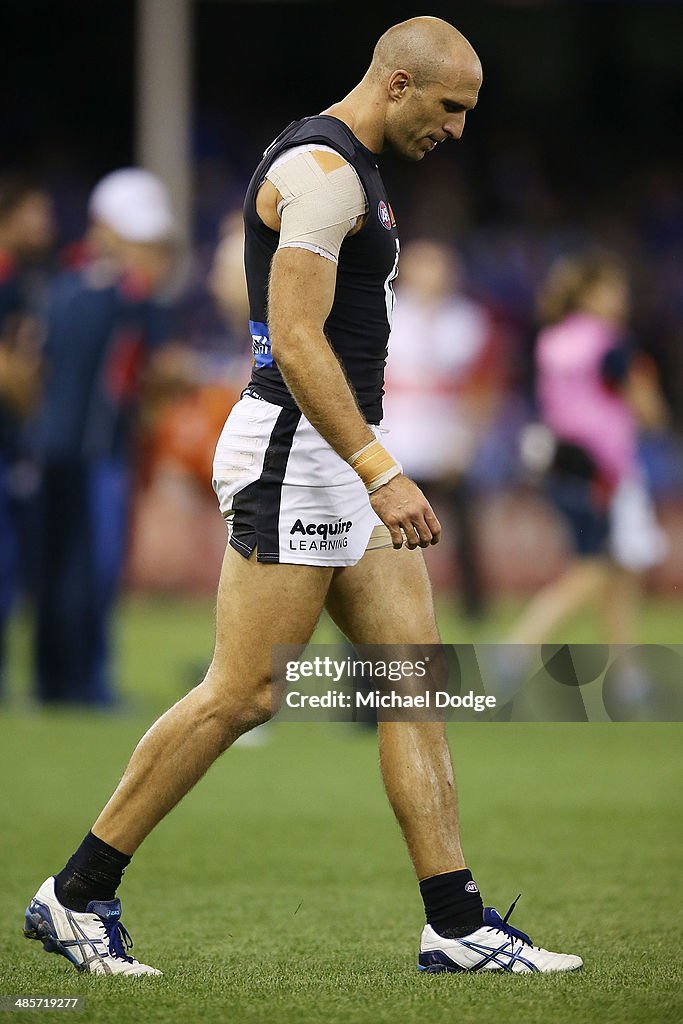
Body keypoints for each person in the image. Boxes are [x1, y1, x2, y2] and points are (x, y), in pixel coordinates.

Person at [24, 17, 582, 975]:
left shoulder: (356, 170)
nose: (456, 129)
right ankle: (74, 896)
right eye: (449, 108)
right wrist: (377, 467)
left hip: (332, 452)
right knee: (244, 692)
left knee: (414, 681)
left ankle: (454, 924)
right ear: (399, 82)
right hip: (299, 453)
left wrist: (367, 460)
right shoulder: (322, 173)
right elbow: (293, 338)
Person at [31, 169, 177, 705]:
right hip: (92, 453)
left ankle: (58, 682)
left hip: (61, 448)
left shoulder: (60, 286)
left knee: (64, 568)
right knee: (88, 569)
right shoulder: (118, 294)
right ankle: (83, 682)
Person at [508, 253, 667, 647]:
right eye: (614, 289)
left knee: (617, 568)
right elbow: (648, 410)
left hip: (561, 459)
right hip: (606, 468)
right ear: (591, 293)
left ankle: (626, 670)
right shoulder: (608, 343)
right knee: (595, 568)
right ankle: (518, 647)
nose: (622, 297)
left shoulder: (552, 339)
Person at [382, 239, 498, 618]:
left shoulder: (467, 321)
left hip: (446, 437)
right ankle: (388, 602)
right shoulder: (387, 313)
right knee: (387, 531)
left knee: (462, 527)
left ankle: (473, 608)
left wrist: (466, 440)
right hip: (397, 439)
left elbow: (481, 388)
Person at [0, 177, 55, 696]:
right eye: (37, 212)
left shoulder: (22, 277)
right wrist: (41, 409)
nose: (47, 224)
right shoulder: (7, 276)